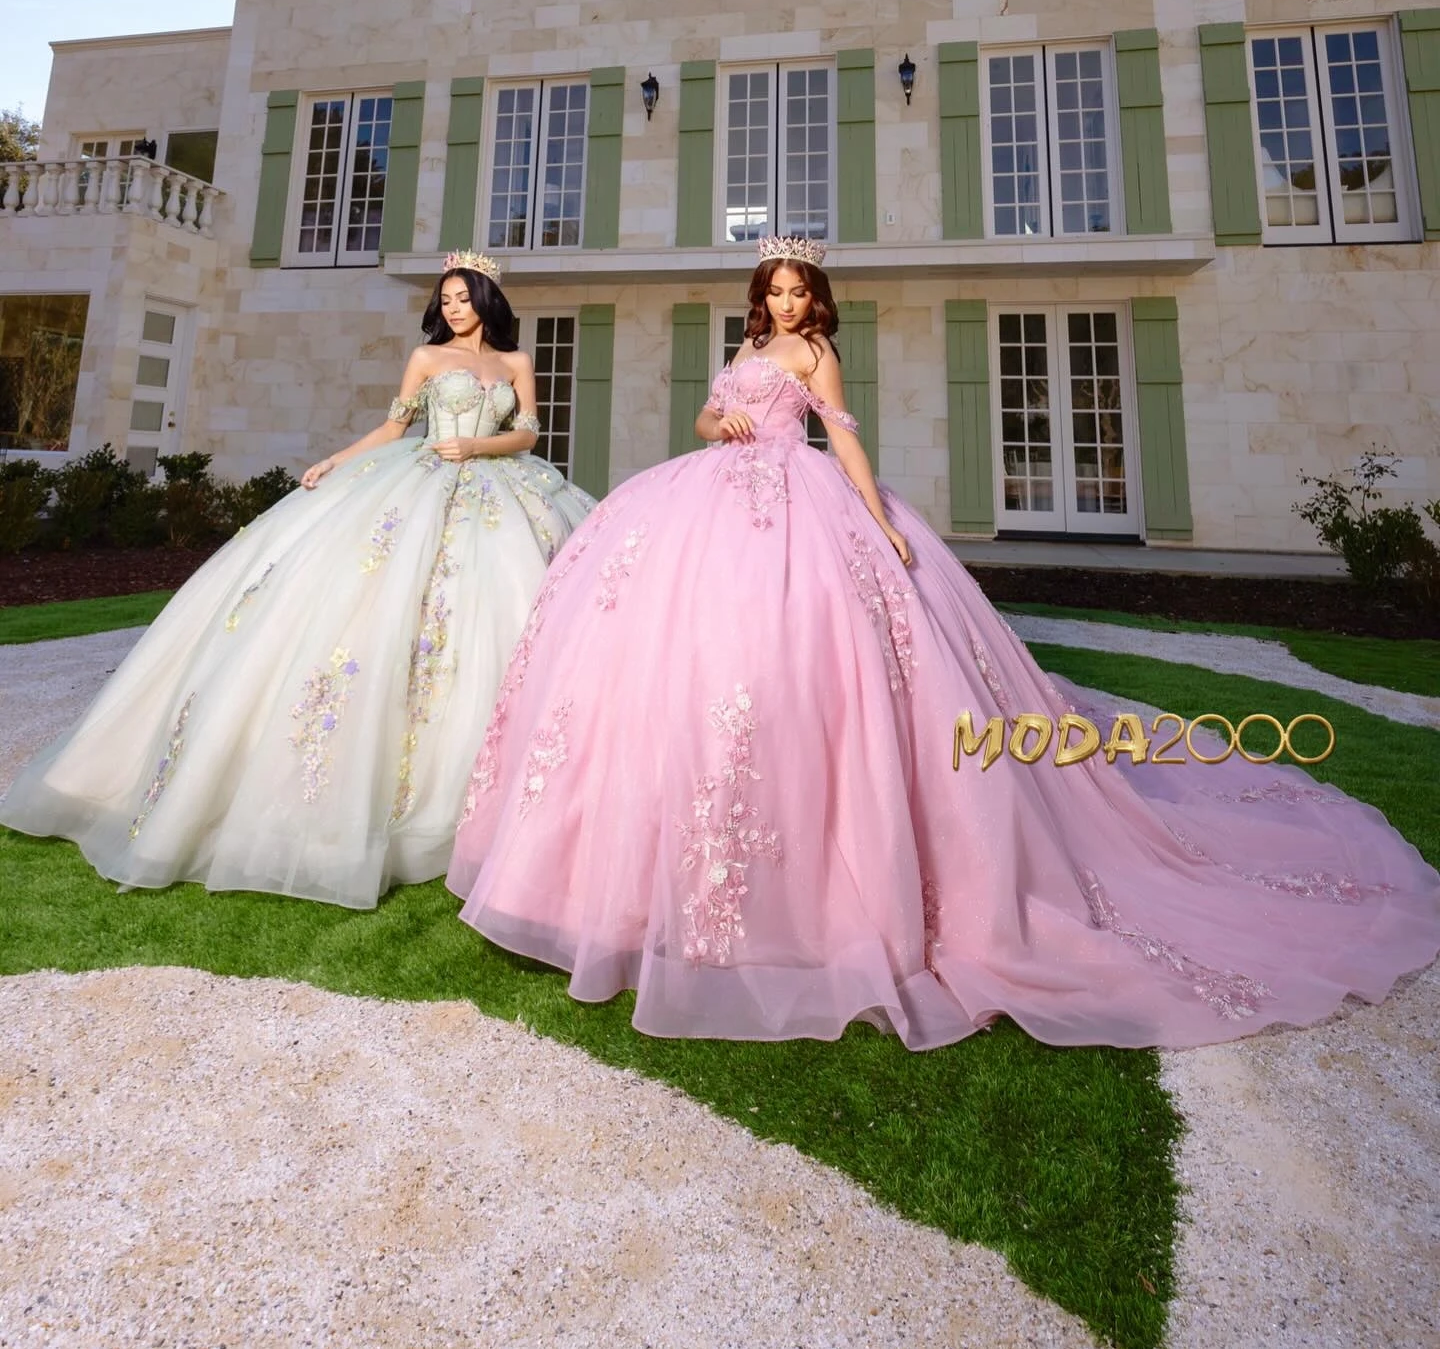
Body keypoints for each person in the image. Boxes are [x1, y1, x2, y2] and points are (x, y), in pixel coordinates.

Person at [446, 236, 1440, 1049]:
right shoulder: (742, 353)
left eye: (798, 292)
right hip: (711, 505)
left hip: (805, 512)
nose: (787, 305)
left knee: (827, 666)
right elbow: (710, 414)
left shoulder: (814, 356)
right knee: (679, 657)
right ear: (760, 296)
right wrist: (720, 420)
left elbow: (844, 439)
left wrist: (878, 521)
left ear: (813, 300)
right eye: (775, 291)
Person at [0, 251, 593, 909]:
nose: (453, 308)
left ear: (487, 298)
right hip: (419, 479)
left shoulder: (514, 364)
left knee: (500, 606)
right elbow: (395, 427)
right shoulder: (428, 359)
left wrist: (477, 447)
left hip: (498, 485)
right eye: (445, 299)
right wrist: (336, 461)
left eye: (462, 297)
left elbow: (529, 434)